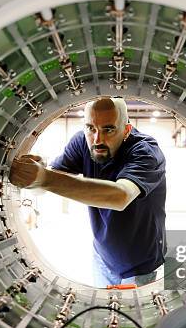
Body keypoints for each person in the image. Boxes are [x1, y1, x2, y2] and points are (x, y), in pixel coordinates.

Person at [9, 97, 166, 287]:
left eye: (108, 129)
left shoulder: (145, 151)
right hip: (102, 256)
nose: (97, 139)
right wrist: (36, 175)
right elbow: (47, 185)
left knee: (131, 316)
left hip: (139, 265)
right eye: (91, 128)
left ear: (126, 130)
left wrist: (44, 178)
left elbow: (121, 196)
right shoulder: (83, 142)